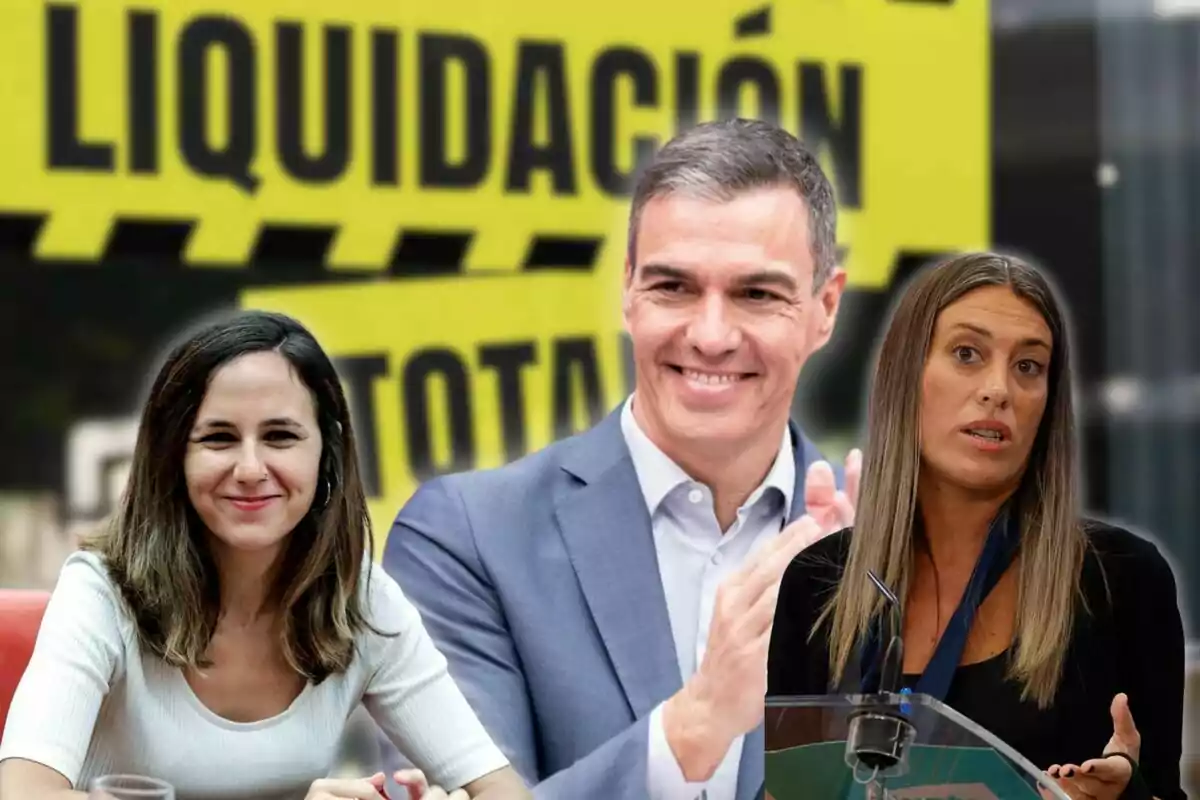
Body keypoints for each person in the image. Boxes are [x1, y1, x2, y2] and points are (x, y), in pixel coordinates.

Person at [381, 117, 862, 800]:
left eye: (757, 294)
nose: (712, 334)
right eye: (674, 287)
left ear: (825, 308)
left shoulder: (895, 550)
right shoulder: (466, 538)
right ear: (628, 292)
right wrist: (694, 727)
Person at [0, 311, 530, 800]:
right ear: (172, 457)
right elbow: (22, 794)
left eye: (280, 436)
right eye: (219, 438)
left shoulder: (361, 597)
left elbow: (499, 788)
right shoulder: (101, 590)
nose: (251, 468)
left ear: (327, 453)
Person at [766, 252, 1186, 800]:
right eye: (967, 354)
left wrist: (1130, 796)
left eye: (1028, 366)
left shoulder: (1122, 580)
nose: (999, 390)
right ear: (905, 375)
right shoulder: (819, 581)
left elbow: (1160, 789)